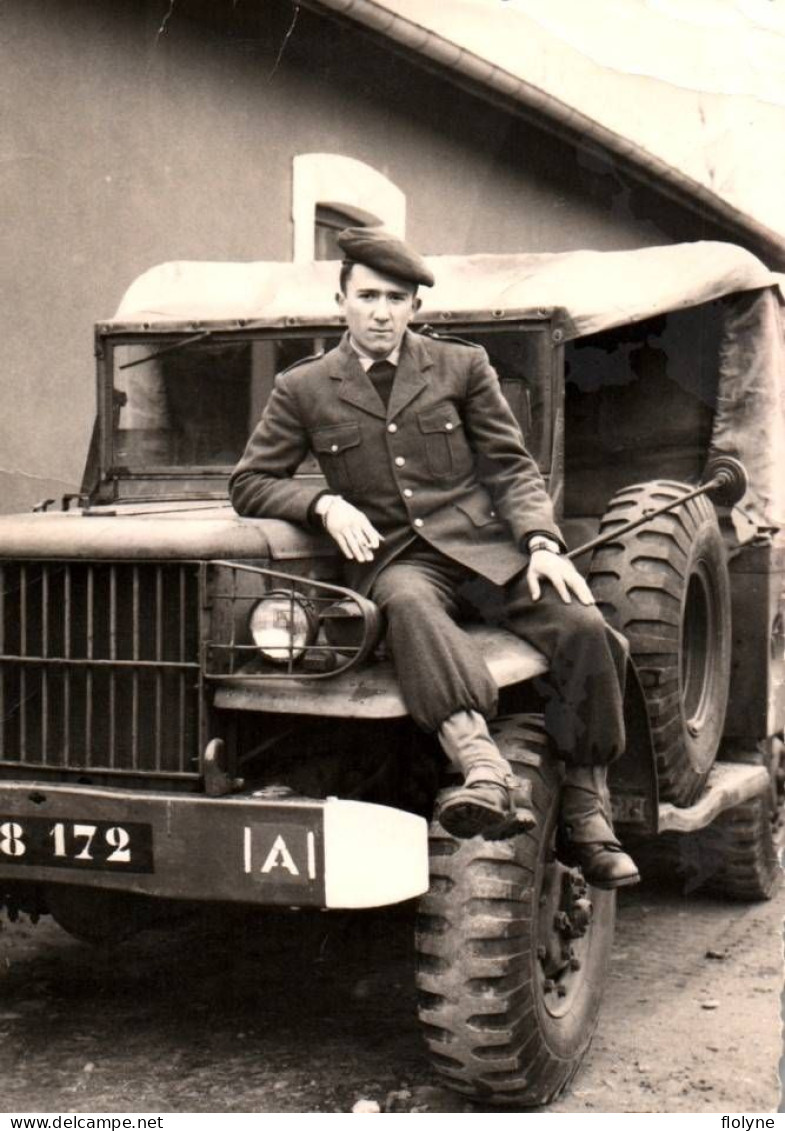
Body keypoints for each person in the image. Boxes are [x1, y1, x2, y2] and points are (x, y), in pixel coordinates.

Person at [230, 227, 639, 890]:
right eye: (367, 295)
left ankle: (590, 815)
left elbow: (510, 466)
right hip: (396, 559)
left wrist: (538, 540)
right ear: (341, 301)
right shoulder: (304, 386)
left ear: (415, 307)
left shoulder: (461, 366)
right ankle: (482, 768)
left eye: (396, 297)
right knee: (407, 605)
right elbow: (249, 481)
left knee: (586, 628)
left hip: (484, 550)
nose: (381, 311)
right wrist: (323, 506)